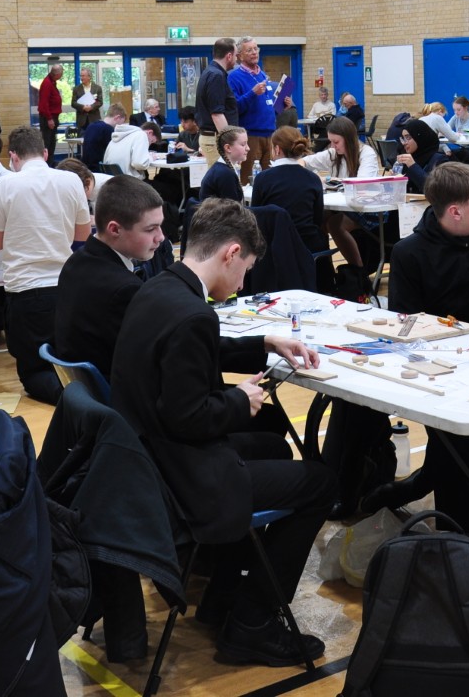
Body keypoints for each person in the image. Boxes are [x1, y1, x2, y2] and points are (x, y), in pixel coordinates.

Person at [111, 198, 334, 668]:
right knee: (320, 484)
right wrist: (240, 400)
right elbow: (189, 417)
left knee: (274, 444)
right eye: (246, 269)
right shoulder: (194, 313)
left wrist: (264, 342)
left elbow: (192, 349)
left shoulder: (159, 288)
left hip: (146, 460)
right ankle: (252, 623)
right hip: (184, 474)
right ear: (231, 253)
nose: (243, 282)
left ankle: (223, 596)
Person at [361, 162, 469, 526]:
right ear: (455, 212)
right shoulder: (409, 253)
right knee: (458, 441)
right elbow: (407, 329)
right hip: (438, 369)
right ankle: (462, 533)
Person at [0, 127, 92, 404]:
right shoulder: (71, 180)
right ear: (45, 153)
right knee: (67, 361)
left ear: (13, 157)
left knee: (33, 373)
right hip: (67, 288)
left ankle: (78, 402)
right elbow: (82, 235)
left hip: (26, 291)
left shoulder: (5, 185)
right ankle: (87, 394)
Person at [55, 175, 167, 379]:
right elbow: (152, 353)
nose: (161, 237)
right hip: (114, 388)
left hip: (84, 386)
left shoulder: (75, 262)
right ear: (115, 229)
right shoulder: (123, 288)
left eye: (160, 226)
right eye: (151, 229)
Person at [302, 115, 381, 267]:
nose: (332, 146)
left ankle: (358, 269)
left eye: (336, 142)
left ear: (348, 139)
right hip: (343, 206)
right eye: (331, 141)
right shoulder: (333, 153)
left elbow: (362, 184)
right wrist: (309, 173)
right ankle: (325, 268)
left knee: (335, 225)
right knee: (317, 217)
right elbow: (304, 162)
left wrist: (333, 181)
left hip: (366, 208)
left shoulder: (367, 153)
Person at [251, 126, 326, 254]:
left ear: (277, 149)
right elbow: (317, 219)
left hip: (274, 245)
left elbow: (256, 216)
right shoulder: (313, 179)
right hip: (308, 246)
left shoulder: (262, 178)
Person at [230, 36, 282, 183]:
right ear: (240, 56)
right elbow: (235, 108)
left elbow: (268, 106)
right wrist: (252, 93)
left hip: (270, 134)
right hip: (250, 136)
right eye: (249, 50)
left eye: (255, 49)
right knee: (249, 179)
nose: (254, 52)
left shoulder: (263, 75)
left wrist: (283, 105)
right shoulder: (234, 77)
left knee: (270, 179)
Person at [196, 37, 239, 136]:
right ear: (229, 56)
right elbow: (217, 114)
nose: (237, 59)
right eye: (236, 55)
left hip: (212, 136)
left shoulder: (209, 72)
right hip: (215, 138)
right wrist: (229, 140)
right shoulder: (216, 76)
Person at [393, 117, 447, 192]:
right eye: (403, 138)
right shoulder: (408, 157)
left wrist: (413, 166)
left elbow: (433, 189)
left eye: (408, 137)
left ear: (419, 137)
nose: (404, 143)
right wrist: (393, 180)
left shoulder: (439, 160)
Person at [104, 106, 158, 175]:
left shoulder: (117, 136)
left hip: (112, 178)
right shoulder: (141, 134)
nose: (150, 144)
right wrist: (151, 158)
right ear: (150, 132)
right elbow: (139, 164)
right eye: (151, 141)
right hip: (128, 179)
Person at [201, 127, 248, 202]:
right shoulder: (225, 174)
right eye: (243, 145)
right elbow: (233, 208)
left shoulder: (223, 169)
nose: (248, 148)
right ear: (228, 148)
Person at [37, 58, 64, 162]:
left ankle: (50, 162)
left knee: (52, 142)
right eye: (61, 73)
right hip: (48, 118)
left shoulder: (52, 82)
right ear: (57, 74)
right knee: (47, 143)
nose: (61, 75)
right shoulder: (47, 83)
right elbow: (44, 103)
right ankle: (47, 163)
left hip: (52, 116)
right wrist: (49, 119)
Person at [80, 100, 118, 169]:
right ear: (117, 118)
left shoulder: (91, 125)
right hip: (98, 167)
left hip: (85, 167)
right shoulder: (108, 129)